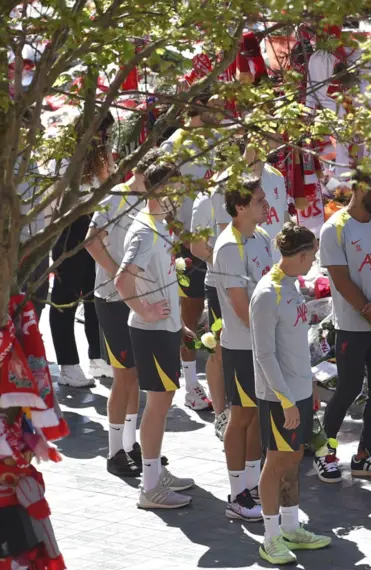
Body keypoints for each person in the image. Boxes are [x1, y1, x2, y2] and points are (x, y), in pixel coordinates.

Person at [114, 160, 197, 509]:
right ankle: (149, 487)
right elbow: (122, 279)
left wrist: (178, 323)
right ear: (161, 190)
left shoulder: (159, 226)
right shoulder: (145, 230)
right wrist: (143, 310)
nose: (179, 196)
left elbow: (158, 278)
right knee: (158, 407)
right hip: (151, 331)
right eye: (176, 189)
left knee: (161, 406)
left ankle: (154, 473)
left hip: (164, 328)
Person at [316, 169, 371, 482]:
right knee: (348, 388)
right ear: (362, 187)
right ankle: (325, 451)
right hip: (353, 327)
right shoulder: (335, 228)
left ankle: (366, 452)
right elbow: (341, 281)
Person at [251, 222, 332, 564]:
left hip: (297, 390)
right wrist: (285, 400)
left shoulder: (291, 287)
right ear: (299, 256)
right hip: (277, 397)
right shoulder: (267, 294)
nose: (314, 261)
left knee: (294, 458)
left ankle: (291, 527)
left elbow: (294, 345)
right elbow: (265, 354)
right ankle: (270, 538)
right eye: (311, 255)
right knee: (276, 462)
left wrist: (308, 383)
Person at [87, 147, 163, 476]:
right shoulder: (114, 198)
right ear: (144, 172)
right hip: (112, 299)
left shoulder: (147, 202)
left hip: (136, 300)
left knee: (134, 375)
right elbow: (92, 242)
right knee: (124, 377)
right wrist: (120, 275)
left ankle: (131, 444)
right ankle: (115, 450)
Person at [209, 177, 272, 522]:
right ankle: (236, 495)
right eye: (260, 201)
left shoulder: (261, 237)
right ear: (240, 208)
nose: (267, 205)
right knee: (242, 417)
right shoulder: (229, 247)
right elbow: (240, 305)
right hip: (243, 347)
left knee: (257, 419)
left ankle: (251, 486)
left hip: (264, 343)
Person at [160, 98, 218, 412]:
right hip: (188, 244)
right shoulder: (173, 146)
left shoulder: (218, 140)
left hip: (218, 240)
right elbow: (163, 197)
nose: (222, 110)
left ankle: (218, 381)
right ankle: (191, 385)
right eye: (216, 104)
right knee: (191, 315)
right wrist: (182, 235)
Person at [51, 114, 113, 388]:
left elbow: (107, 185)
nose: (106, 139)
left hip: (95, 223)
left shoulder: (99, 156)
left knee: (93, 292)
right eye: (104, 133)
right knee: (66, 297)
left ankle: (97, 356)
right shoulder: (69, 157)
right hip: (71, 226)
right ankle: (67, 364)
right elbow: (65, 196)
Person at [189, 183, 231, 438]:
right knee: (218, 349)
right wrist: (231, 268)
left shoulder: (266, 183)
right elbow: (197, 247)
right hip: (219, 286)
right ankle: (220, 415)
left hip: (259, 282)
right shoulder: (207, 197)